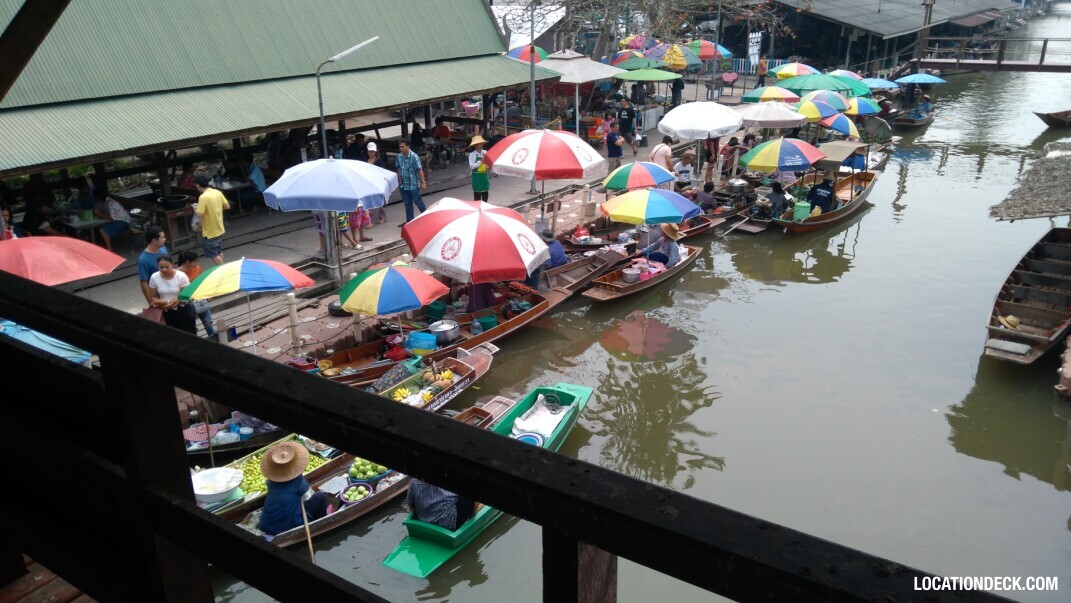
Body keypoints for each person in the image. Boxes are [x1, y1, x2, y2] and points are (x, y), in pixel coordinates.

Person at [258, 442, 328, 537]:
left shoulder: (271, 481)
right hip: (287, 528)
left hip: (265, 524)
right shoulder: (297, 480)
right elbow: (307, 498)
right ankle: (319, 525)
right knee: (320, 496)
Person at [406, 478, 479, 531]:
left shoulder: (414, 481)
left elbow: (410, 505)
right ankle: (473, 517)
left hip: (422, 521)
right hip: (448, 524)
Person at [148, 254, 196, 334]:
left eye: (167, 267)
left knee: (189, 334)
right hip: (166, 311)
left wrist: (177, 301)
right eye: (161, 267)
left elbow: (187, 295)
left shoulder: (181, 276)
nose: (164, 270)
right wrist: (160, 302)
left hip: (184, 310)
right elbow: (153, 297)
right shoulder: (154, 277)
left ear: (172, 264)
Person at [176, 250, 217, 338]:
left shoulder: (197, 269)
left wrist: (207, 294)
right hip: (187, 301)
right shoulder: (177, 274)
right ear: (187, 262)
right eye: (195, 262)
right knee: (191, 323)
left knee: (207, 320)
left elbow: (202, 282)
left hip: (199, 298)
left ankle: (213, 335)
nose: (197, 264)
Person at [193, 175, 229, 265]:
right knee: (218, 250)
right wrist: (216, 209)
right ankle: (222, 266)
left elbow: (200, 214)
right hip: (219, 228)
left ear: (197, 185)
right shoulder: (217, 192)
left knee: (213, 254)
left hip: (210, 231)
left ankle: (221, 269)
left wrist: (194, 209)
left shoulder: (203, 197)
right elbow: (227, 206)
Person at [395, 139, 427, 227]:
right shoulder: (399, 156)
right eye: (400, 147)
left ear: (408, 147)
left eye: (402, 147)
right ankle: (410, 221)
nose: (400, 148)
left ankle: (427, 218)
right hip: (403, 184)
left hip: (413, 184)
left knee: (418, 201)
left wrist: (422, 182)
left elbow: (419, 170)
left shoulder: (414, 156)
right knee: (407, 203)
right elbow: (398, 168)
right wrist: (399, 181)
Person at [138, 225, 168, 305]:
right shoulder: (143, 260)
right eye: (162, 237)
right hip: (158, 296)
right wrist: (151, 302)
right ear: (154, 240)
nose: (164, 239)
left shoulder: (164, 250)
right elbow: (143, 282)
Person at [365, 142, 388, 226]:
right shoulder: (365, 160)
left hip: (377, 183)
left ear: (375, 152)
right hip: (368, 183)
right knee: (374, 201)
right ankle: (383, 216)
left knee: (375, 201)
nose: (371, 153)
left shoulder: (379, 161)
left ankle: (372, 221)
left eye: (372, 151)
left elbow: (381, 172)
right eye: (370, 151)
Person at [468, 135, 491, 201]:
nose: (481, 146)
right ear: (475, 145)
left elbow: (488, 163)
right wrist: (480, 162)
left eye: (481, 144)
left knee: (485, 195)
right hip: (477, 178)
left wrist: (489, 167)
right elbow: (471, 166)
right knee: (477, 197)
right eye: (479, 144)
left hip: (484, 177)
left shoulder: (485, 152)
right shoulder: (472, 155)